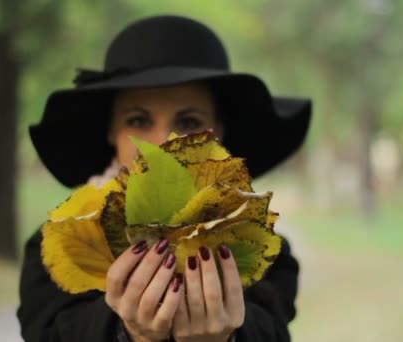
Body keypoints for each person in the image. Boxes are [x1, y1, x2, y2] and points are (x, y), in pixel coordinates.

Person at [18, 15, 311, 342]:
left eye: (188, 121)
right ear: (112, 131)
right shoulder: (65, 242)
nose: (163, 144)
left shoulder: (265, 253)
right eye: (139, 120)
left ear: (219, 132)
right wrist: (124, 333)